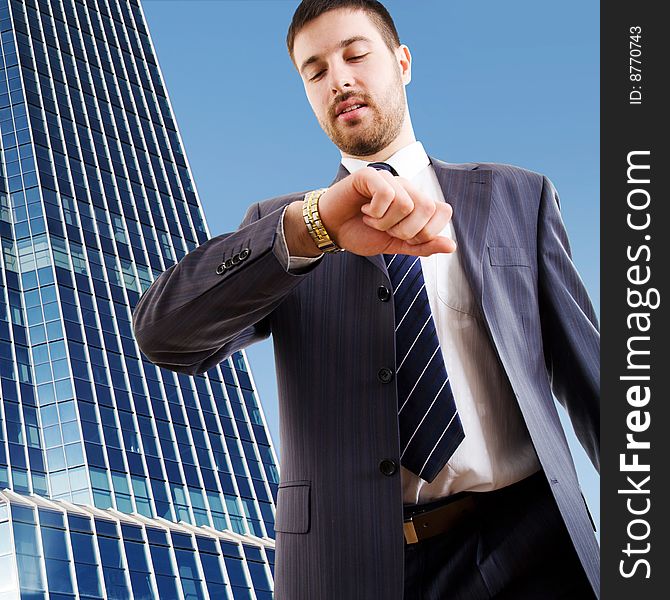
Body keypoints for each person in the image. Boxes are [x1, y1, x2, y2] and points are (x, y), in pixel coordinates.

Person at [132, 1, 600, 598]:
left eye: (356, 54)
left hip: (531, 546)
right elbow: (165, 335)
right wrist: (315, 226)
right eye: (316, 70)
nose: (340, 79)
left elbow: (596, 387)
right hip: (353, 565)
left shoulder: (516, 196)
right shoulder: (282, 229)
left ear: (402, 63)